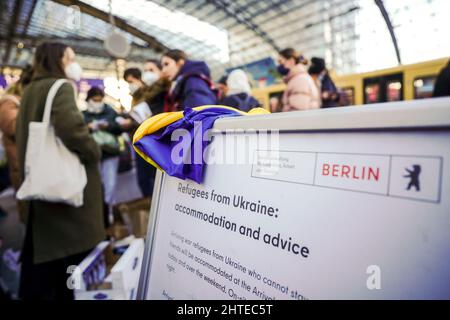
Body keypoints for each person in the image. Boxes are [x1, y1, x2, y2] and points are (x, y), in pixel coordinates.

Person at [16, 41, 105, 300]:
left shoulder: (31, 88)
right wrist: (93, 151)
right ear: (59, 59)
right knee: (71, 265)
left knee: (47, 265)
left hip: (41, 186)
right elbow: (72, 130)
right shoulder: (60, 87)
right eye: (71, 57)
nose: (74, 62)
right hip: (66, 194)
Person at [123, 65, 170, 197]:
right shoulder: (138, 95)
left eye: (151, 70)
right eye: (145, 71)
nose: (147, 74)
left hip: (156, 139)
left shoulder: (162, 91)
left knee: (155, 178)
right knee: (144, 179)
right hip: (141, 140)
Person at [82, 87, 122, 226]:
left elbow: (120, 128)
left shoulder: (110, 111)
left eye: (100, 99)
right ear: (89, 99)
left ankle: (110, 214)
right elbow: (79, 132)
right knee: (94, 186)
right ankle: (97, 215)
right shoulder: (83, 115)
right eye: (95, 99)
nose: (98, 102)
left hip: (110, 153)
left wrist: (108, 126)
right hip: (92, 154)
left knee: (110, 185)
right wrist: (89, 128)